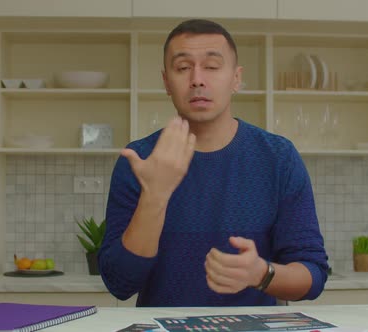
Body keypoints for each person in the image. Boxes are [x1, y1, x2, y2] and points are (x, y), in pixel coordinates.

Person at [98, 19, 329, 307]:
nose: (197, 79)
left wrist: (262, 273)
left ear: (236, 78)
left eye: (211, 66)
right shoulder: (140, 159)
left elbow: (313, 274)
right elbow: (119, 283)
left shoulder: (278, 157)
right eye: (183, 68)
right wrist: (154, 196)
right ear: (166, 81)